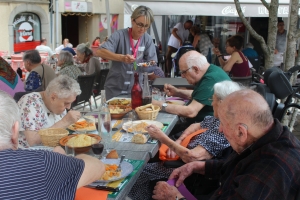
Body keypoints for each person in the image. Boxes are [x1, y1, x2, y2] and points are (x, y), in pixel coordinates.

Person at [152, 89, 300, 200]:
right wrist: (197, 166)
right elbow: (235, 166)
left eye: (222, 124)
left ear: (241, 132)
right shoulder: (267, 136)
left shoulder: (268, 173)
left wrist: (176, 198)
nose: (220, 129)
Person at [128, 81, 242, 200]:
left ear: (222, 103)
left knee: (136, 173)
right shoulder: (216, 119)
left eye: (213, 100)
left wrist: (162, 137)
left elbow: (192, 157)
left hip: (186, 170)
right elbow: (196, 126)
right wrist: (179, 141)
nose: (211, 103)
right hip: (182, 159)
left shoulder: (222, 129)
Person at [0, 90, 105, 199]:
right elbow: (98, 167)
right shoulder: (43, 162)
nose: (68, 107)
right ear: (15, 129)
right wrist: (62, 159)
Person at [152, 50, 230, 128]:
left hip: (210, 129)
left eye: (184, 72)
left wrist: (159, 104)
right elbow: (200, 94)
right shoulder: (212, 70)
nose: (182, 76)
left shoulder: (211, 79)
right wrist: (177, 92)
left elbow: (191, 111)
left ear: (196, 69)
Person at [96, 5, 157, 100]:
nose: (142, 29)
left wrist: (149, 65)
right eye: (140, 24)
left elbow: (152, 63)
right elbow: (100, 51)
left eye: (146, 26)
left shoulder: (148, 39)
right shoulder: (119, 35)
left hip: (136, 90)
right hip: (114, 90)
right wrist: (121, 58)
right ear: (132, 20)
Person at [18, 75, 82, 148]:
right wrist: (65, 122)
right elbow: (33, 142)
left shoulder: (58, 103)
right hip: (29, 155)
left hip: (54, 150)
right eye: (66, 103)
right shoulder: (30, 102)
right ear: (53, 97)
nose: (69, 107)